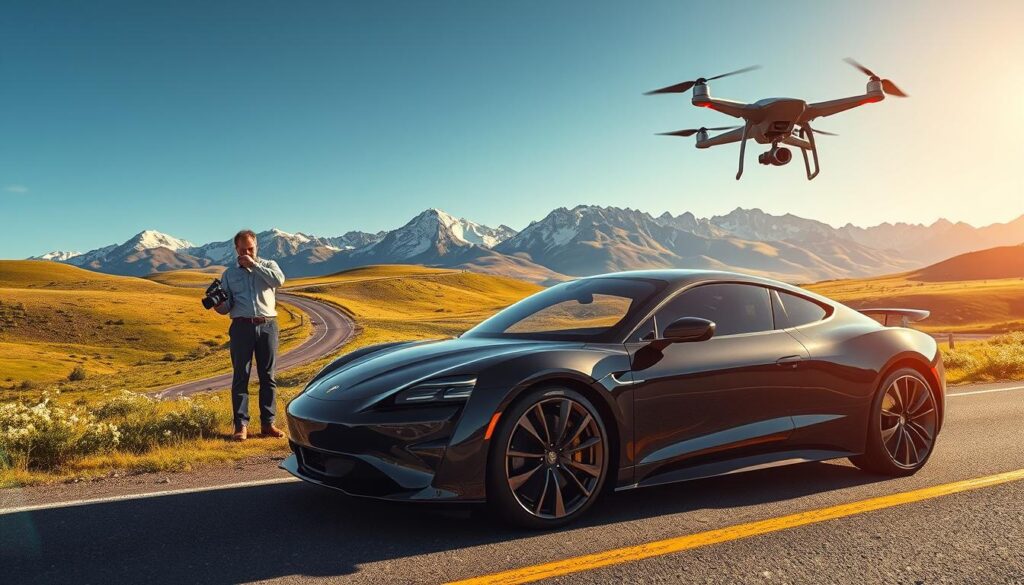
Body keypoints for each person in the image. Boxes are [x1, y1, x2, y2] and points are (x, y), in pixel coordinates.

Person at [214, 229, 287, 441]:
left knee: (268, 377)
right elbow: (226, 307)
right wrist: (217, 305)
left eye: (251, 248)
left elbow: (278, 281)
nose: (247, 252)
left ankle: (268, 424)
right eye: (243, 249)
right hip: (241, 327)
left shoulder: (269, 265)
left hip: (267, 326)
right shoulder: (229, 274)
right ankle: (241, 426)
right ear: (236, 249)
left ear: (257, 247)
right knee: (240, 377)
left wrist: (254, 265)